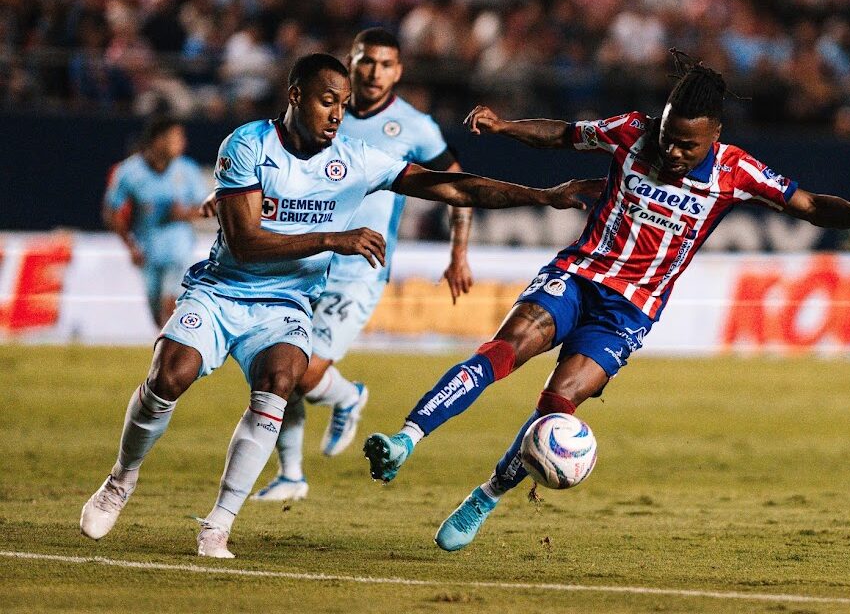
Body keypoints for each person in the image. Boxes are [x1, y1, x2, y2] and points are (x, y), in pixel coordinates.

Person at [363, 50, 850, 552]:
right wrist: (506, 126)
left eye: (690, 144)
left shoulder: (736, 170)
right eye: (670, 136)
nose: (675, 151)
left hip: (630, 311)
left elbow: (807, 205)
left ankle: (485, 497)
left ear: (715, 135)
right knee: (505, 349)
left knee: (557, 408)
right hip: (580, 274)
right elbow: (563, 134)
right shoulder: (633, 131)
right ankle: (405, 439)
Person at [79, 52, 598, 559]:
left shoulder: (353, 160)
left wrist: (542, 195)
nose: (337, 114)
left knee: (281, 380)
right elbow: (244, 243)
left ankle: (218, 525)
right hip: (223, 290)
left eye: (344, 104)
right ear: (296, 96)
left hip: (286, 302)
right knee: (171, 374)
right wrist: (333, 238)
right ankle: (120, 481)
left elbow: (453, 187)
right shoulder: (247, 146)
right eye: (327, 100)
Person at [248, 28, 474, 502]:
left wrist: (458, 253)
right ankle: (291, 475)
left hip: (361, 266)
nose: (374, 72)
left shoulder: (416, 127)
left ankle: (348, 396)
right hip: (305, 257)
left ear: (399, 71)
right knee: (278, 368)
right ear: (351, 61)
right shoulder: (324, 109)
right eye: (366, 61)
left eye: (385, 64)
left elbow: (459, 187)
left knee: (307, 374)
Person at [103, 116, 209, 328]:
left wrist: (185, 213)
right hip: (148, 251)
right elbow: (111, 211)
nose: (182, 144)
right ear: (159, 141)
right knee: (157, 314)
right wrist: (130, 246)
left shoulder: (187, 170)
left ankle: (175, 356)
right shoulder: (129, 172)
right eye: (176, 138)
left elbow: (208, 207)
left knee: (170, 305)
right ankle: (168, 355)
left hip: (179, 249)